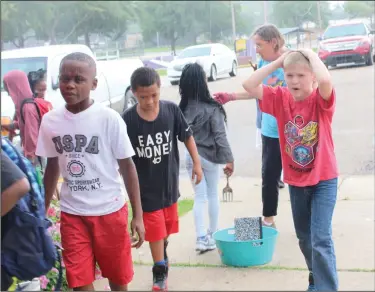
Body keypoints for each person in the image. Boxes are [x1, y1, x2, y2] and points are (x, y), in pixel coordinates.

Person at [35, 52, 145, 291]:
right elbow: (52, 167)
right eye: (64, 78)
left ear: (93, 84)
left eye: (78, 79)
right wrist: (42, 213)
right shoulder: (51, 121)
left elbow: (128, 167)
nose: (70, 84)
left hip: (110, 211)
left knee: (118, 280)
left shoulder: (109, 119)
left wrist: (138, 215)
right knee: (79, 283)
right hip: (73, 215)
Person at [241, 48, 339, 291]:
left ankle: (326, 287)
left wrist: (309, 54)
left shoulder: (320, 101)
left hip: (324, 180)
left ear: (312, 77)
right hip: (296, 183)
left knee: (320, 239)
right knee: (305, 239)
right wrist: (278, 62)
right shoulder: (279, 98)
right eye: (290, 75)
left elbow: (326, 80)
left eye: (301, 76)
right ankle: (315, 277)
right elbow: (249, 84)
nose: (294, 81)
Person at [122, 67, 203, 291]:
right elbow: (121, 157)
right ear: (134, 94)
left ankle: (162, 253)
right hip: (145, 190)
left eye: (154, 95)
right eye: (143, 97)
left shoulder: (171, 110)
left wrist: (197, 163)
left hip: (168, 186)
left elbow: (187, 136)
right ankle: (160, 271)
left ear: (160, 89)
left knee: (164, 233)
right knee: (155, 233)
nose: (149, 101)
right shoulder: (127, 120)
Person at [214, 24, 287, 229]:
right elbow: (256, 90)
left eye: (259, 44)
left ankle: (307, 219)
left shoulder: (292, 61)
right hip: (270, 129)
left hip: (291, 130)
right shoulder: (264, 62)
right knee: (269, 176)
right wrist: (231, 96)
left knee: (300, 176)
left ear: (273, 43)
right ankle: (268, 220)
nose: (255, 49)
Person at [178, 63, 234, 252]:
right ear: (203, 82)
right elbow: (220, 136)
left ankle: (201, 237)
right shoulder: (212, 108)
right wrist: (229, 159)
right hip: (210, 158)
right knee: (212, 195)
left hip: (191, 158)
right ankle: (213, 233)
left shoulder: (181, 109)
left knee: (199, 197)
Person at [2, 71, 40, 165]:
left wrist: (30, 163)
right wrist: (10, 125)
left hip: (34, 159)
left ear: (16, 87)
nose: (9, 94)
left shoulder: (27, 107)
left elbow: (32, 136)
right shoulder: (23, 105)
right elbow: (24, 124)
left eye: (9, 90)